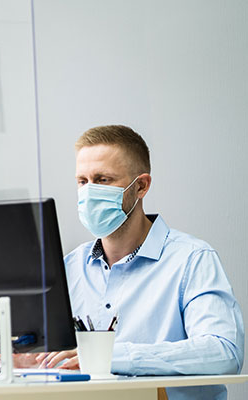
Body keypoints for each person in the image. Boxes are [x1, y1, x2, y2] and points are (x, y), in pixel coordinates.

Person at [36, 125, 244, 399]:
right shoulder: (69, 268)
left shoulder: (192, 259)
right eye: (82, 181)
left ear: (141, 186)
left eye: (103, 179)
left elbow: (223, 352)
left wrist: (112, 356)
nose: (89, 193)